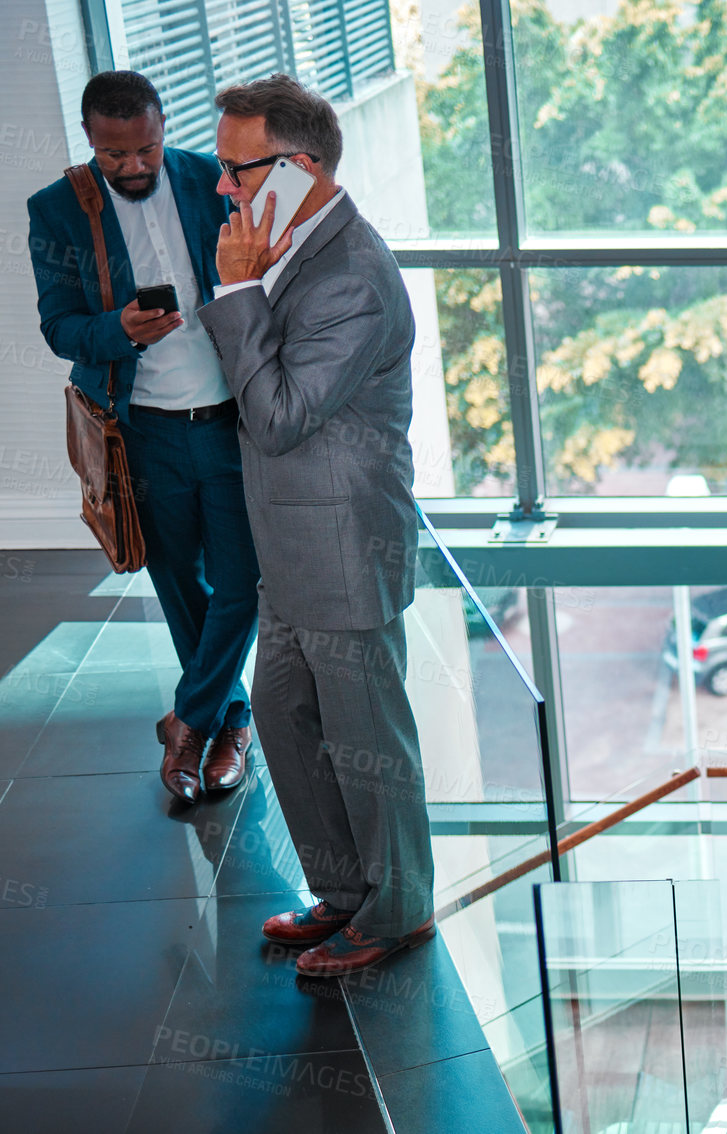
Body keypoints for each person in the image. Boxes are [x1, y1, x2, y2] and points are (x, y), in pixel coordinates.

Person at [195, 74, 433, 976]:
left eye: (236, 170)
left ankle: (399, 911)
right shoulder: (291, 247)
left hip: (341, 554)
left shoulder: (354, 279)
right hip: (290, 551)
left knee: (370, 748)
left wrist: (236, 293)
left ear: (296, 168)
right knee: (291, 731)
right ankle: (344, 894)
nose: (223, 188)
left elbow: (281, 414)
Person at [27, 71, 260, 806]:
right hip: (141, 433)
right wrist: (116, 332)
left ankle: (191, 722)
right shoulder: (60, 210)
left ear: (164, 130)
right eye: (114, 154)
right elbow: (60, 325)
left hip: (227, 420)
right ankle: (232, 723)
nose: (131, 167)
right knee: (177, 581)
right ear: (91, 140)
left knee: (243, 581)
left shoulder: (210, 180)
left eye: (146, 150)